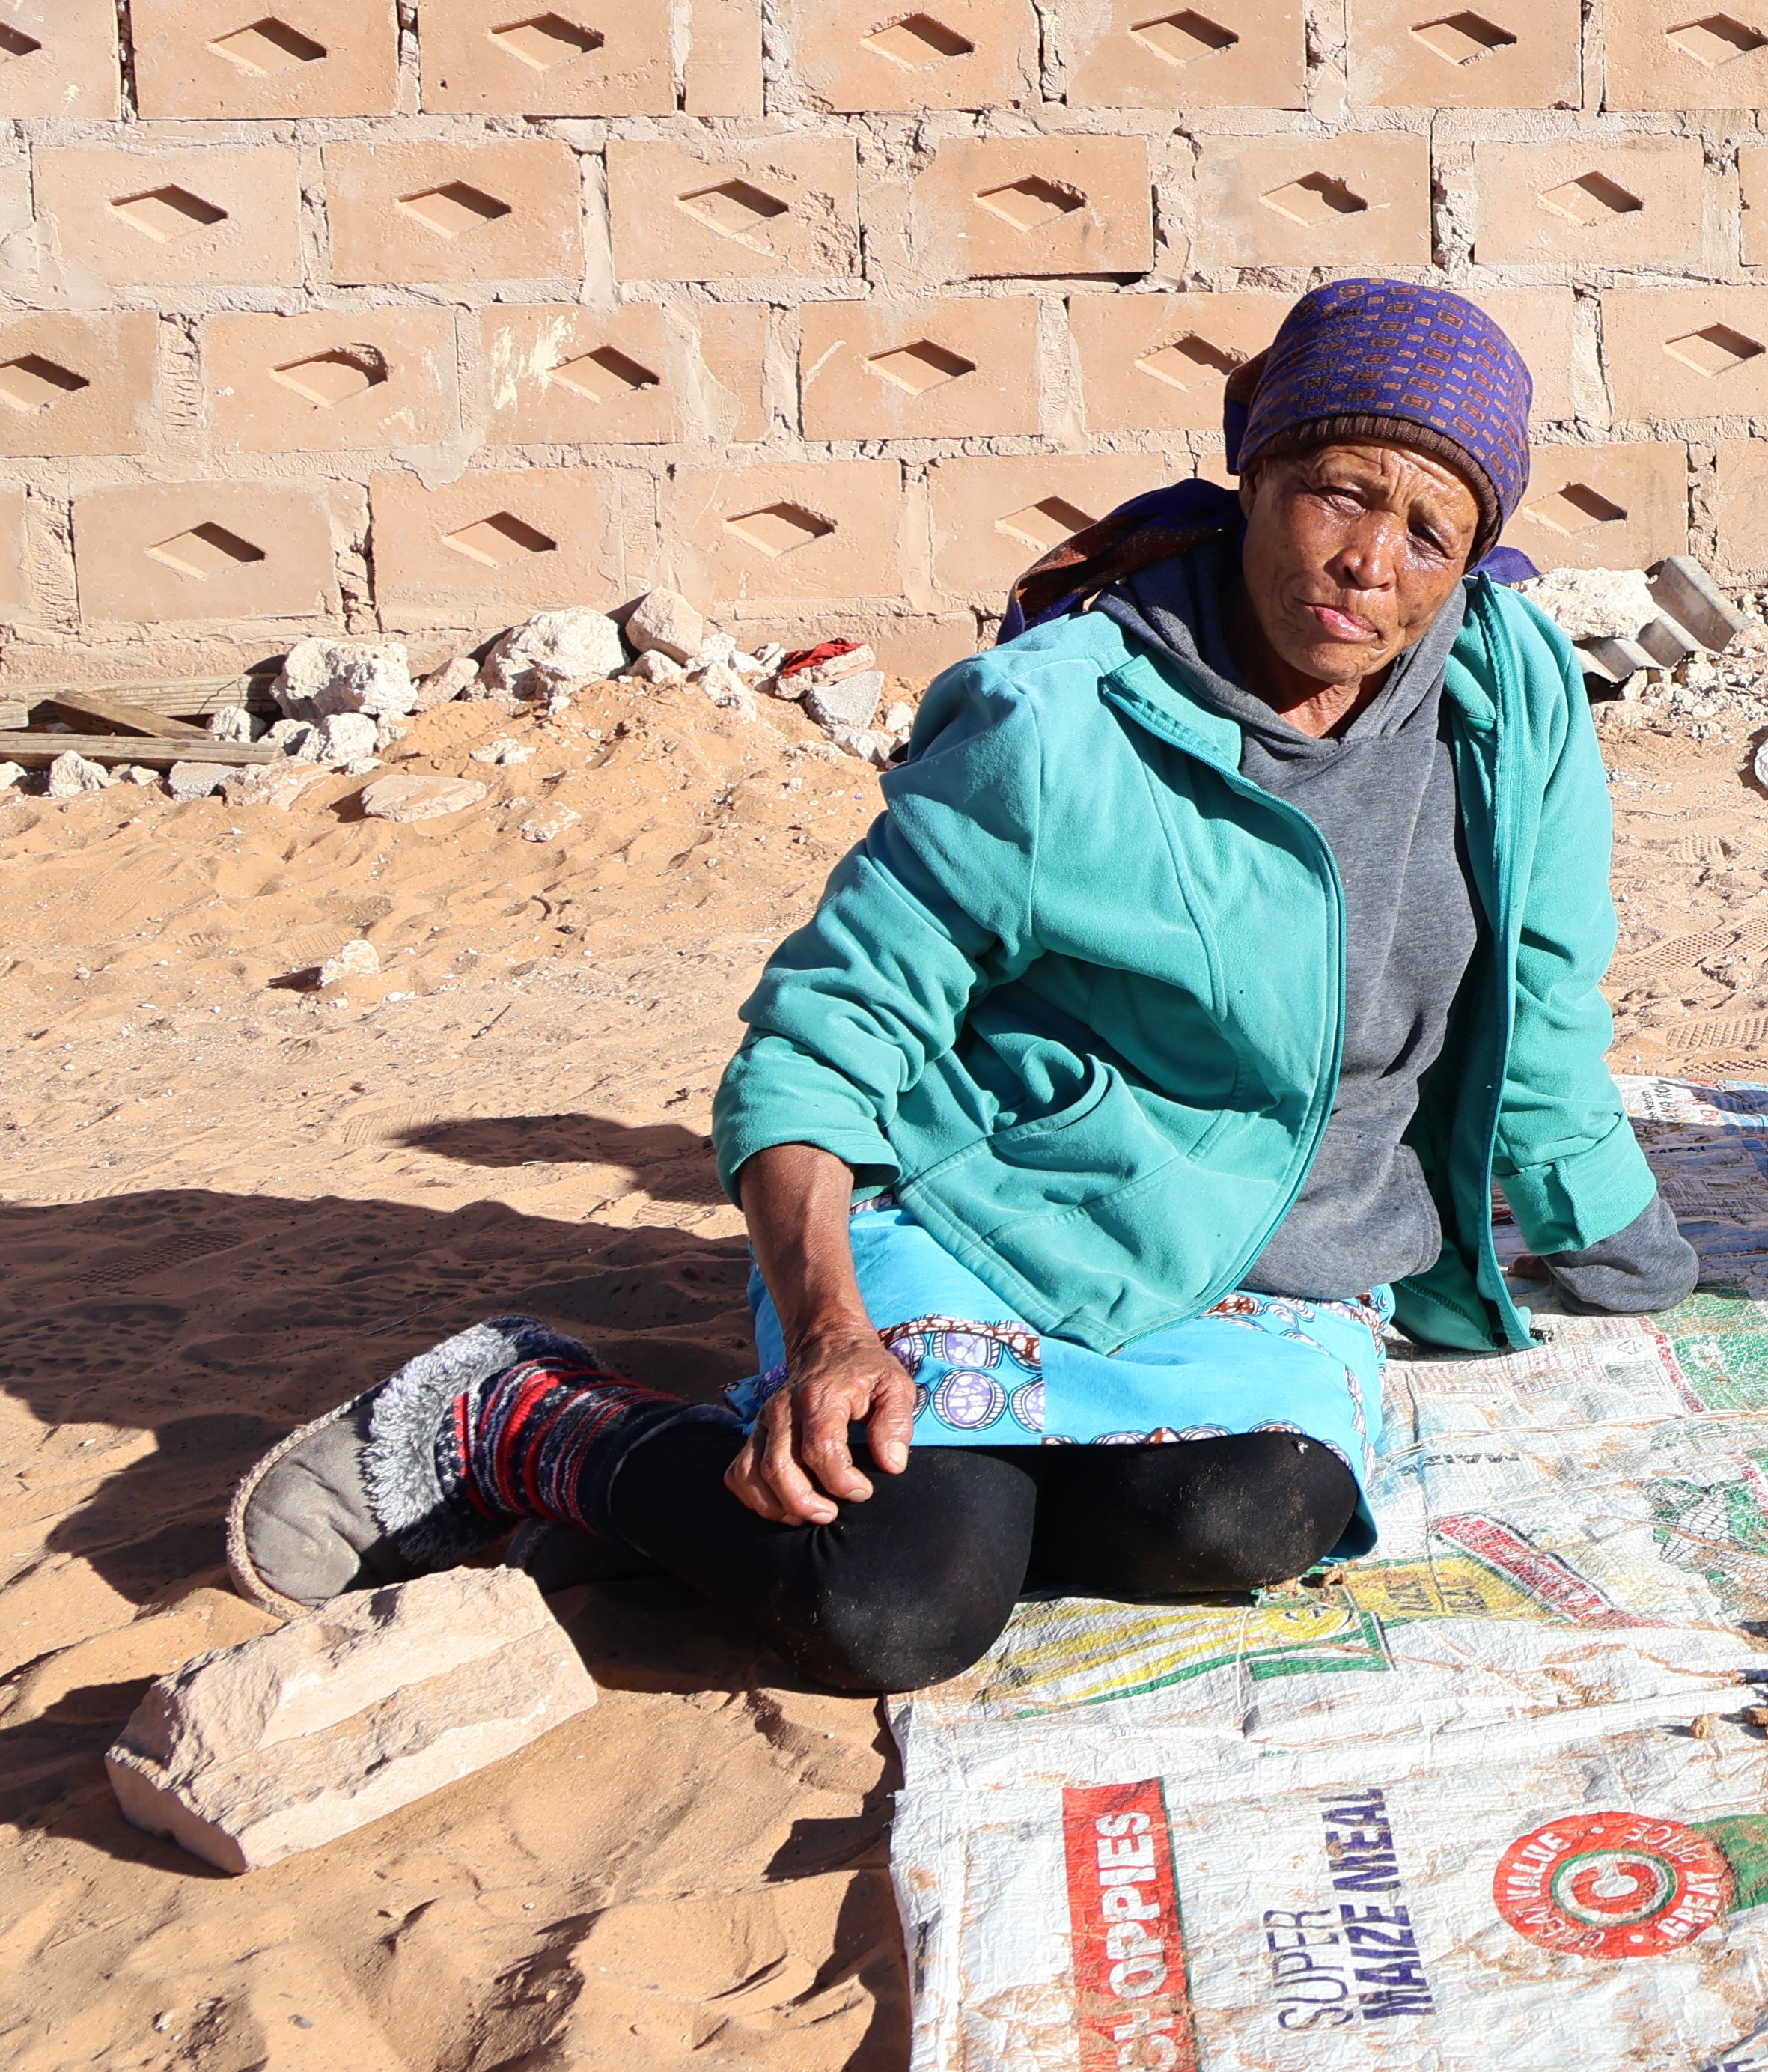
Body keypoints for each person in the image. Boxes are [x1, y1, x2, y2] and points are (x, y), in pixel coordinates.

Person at [226, 278, 1694, 1692]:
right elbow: (818, 1043)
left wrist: (1617, 1237)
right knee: (893, 1608)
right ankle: (519, 1420)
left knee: (1252, 1518)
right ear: (1256, 469)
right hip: (1001, 1205)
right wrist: (831, 1335)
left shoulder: (1511, 691)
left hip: (1267, 1255)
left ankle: (885, 1510)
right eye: (1342, 490)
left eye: (1430, 527)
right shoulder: (1052, 720)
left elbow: (1548, 999)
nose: (1376, 559)